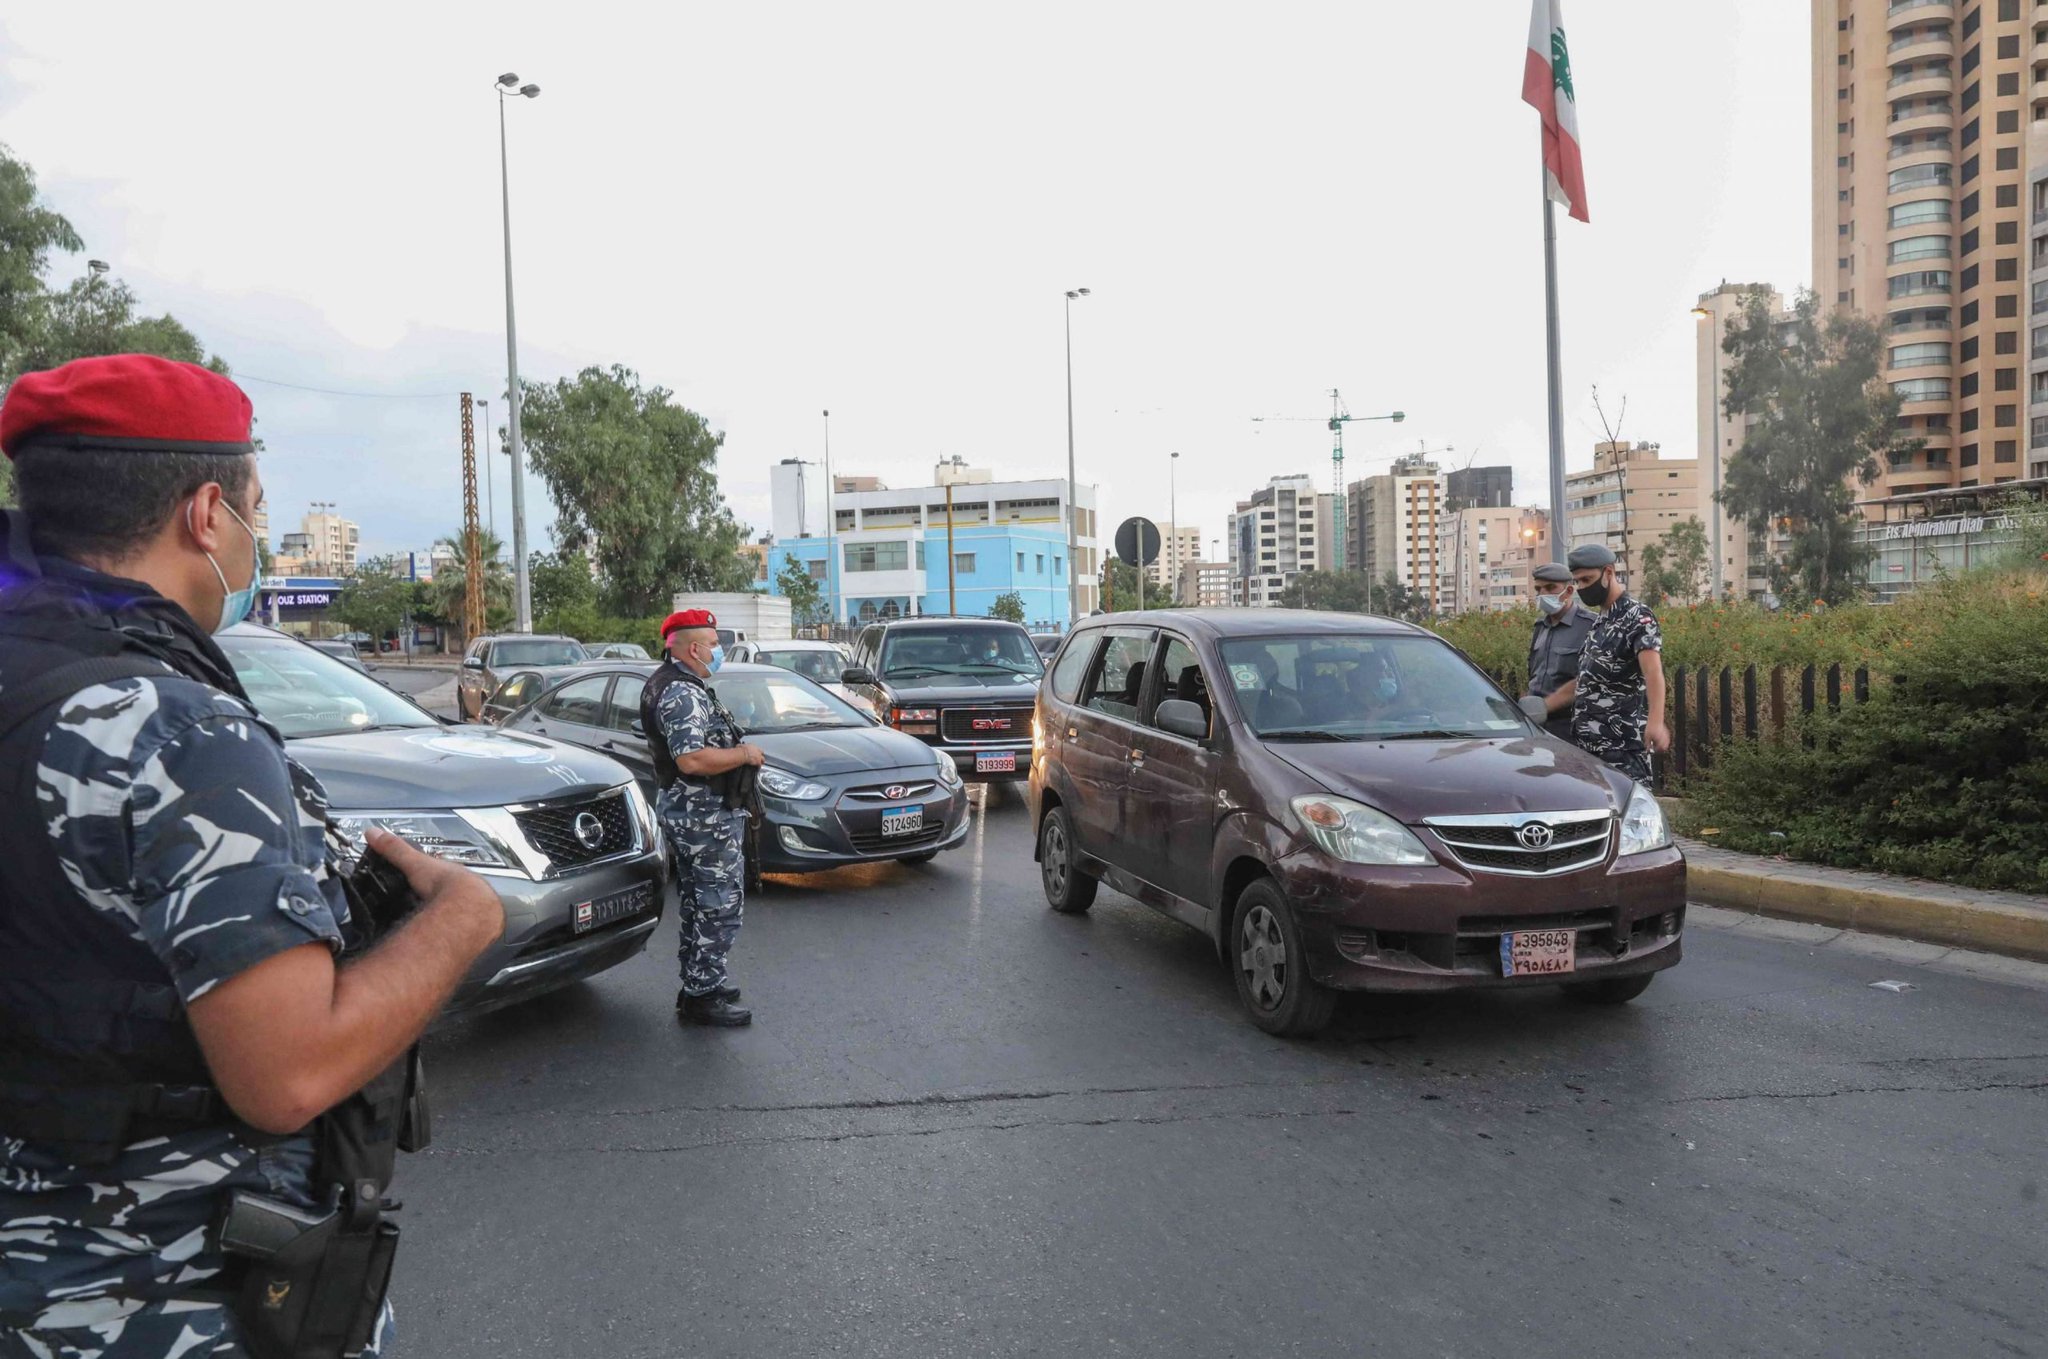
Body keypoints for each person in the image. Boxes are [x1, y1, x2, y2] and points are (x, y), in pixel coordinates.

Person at [0, 355, 505, 1357]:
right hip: (168, 1297)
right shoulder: (179, 732)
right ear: (205, 514)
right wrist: (463, 916)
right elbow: (287, 1073)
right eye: (256, 509)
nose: (256, 537)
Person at [641, 609, 766, 1027]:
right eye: (713, 644)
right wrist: (744, 754)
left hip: (694, 813)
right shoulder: (681, 692)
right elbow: (692, 759)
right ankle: (702, 996)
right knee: (719, 906)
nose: (719, 651)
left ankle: (700, 981)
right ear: (693, 649)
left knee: (699, 902)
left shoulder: (672, 682)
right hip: (703, 816)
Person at [1541, 543, 1670, 785]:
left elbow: (1653, 672)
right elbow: (1586, 680)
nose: (1582, 587)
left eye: (1587, 579)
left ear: (1608, 572)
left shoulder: (1637, 616)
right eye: (1577, 581)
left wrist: (1655, 721)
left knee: (1626, 806)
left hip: (1622, 749)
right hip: (1589, 750)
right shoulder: (1600, 622)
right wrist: (1542, 706)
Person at [1526, 561, 1597, 745]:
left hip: (1570, 727)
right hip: (1536, 725)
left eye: (1550, 588)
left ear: (1569, 591)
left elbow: (1589, 680)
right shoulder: (1540, 627)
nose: (1543, 594)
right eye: (1538, 589)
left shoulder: (1590, 626)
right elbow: (1534, 675)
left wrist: (1545, 706)